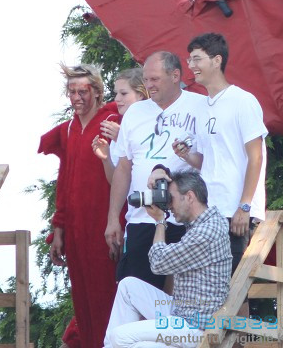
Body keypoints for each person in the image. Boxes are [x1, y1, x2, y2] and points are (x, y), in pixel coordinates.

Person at [105, 52, 207, 290]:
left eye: (155, 79)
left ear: (175, 76)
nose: (149, 85)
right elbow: (123, 168)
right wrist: (113, 219)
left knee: (180, 296)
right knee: (136, 291)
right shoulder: (135, 112)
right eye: (146, 79)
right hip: (141, 218)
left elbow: (211, 161)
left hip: (185, 220)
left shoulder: (200, 107)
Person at [39, 64, 120, 348]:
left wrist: (117, 223)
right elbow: (65, 181)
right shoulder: (70, 128)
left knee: (108, 293)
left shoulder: (112, 120)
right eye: (71, 91)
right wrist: (57, 230)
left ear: (96, 92)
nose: (76, 97)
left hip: (105, 225)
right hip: (76, 229)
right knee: (83, 297)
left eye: (82, 91)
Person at [104, 170, 231, 348]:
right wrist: (160, 175)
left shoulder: (207, 231)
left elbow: (158, 263)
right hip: (180, 311)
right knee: (128, 286)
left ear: (189, 197)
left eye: (170, 198)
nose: (168, 204)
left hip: (195, 327)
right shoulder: (202, 222)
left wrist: (159, 222)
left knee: (119, 337)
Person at [175, 32, 268, 274]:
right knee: (206, 287)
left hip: (234, 211)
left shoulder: (243, 101)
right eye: (189, 61)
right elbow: (206, 161)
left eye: (197, 59)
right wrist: (186, 155)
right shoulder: (202, 107)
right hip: (205, 212)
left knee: (234, 290)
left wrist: (244, 206)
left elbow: (255, 156)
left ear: (217, 61)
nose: (192, 66)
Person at [92, 68, 149, 182]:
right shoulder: (122, 127)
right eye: (116, 93)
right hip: (134, 198)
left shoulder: (157, 121)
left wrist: (122, 139)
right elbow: (115, 181)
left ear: (141, 94)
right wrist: (106, 158)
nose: (117, 99)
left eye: (123, 93)